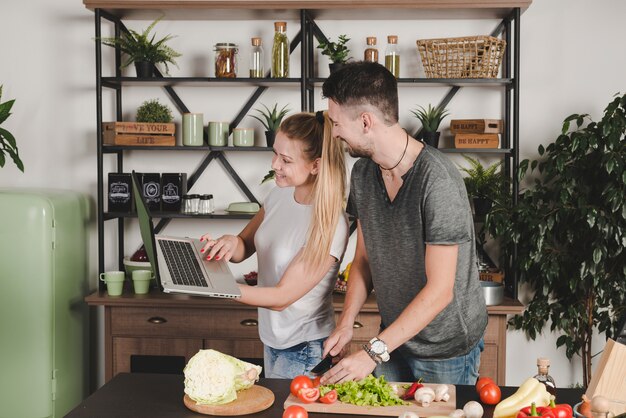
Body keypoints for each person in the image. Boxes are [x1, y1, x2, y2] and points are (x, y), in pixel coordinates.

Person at [319, 61, 487, 385]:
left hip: (445, 349)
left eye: (336, 123)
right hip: (393, 340)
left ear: (365, 121)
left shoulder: (437, 182)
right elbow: (364, 259)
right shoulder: (364, 174)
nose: (335, 132)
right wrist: (345, 322)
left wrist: (370, 353)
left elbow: (440, 292)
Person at [200, 111, 349, 379]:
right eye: (275, 154)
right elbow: (245, 244)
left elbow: (281, 298)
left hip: (305, 348)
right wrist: (227, 244)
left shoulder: (329, 224)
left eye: (286, 160)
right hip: (272, 338)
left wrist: (218, 286)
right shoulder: (279, 194)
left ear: (316, 165)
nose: (275, 165)